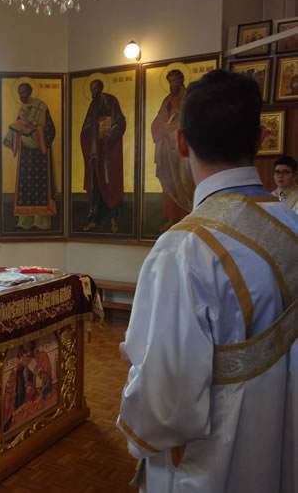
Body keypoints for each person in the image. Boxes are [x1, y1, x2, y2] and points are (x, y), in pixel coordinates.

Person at [117, 70, 298, 492]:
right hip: (281, 439)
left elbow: (164, 410)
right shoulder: (291, 224)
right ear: (260, 140)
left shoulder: (184, 248)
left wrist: (141, 366)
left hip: (216, 462)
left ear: (180, 142)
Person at [2, 82, 57, 230]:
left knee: (40, 186)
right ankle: (25, 222)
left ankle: (41, 222)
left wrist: (36, 130)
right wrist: (18, 130)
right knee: (25, 185)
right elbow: (17, 125)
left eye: (24, 92)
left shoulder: (41, 107)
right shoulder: (22, 109)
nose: (22, 95)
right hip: (25, 152)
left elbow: (50, 129)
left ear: (30, 91)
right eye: (20, 92)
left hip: (40, 153)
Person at [150, 69, 195, 232]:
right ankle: (170, 218)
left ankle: (188, 218)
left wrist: (178, 122)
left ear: (181, 80)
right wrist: (163, 126)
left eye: (174, 81)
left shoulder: (189, 97)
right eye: (169, 81)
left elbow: (193, 120)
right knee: (168, 182)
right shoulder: (167, 100)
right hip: (168, 150)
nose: (172, 85)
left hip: (183, 149)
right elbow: (159, 120)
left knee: (185, 182)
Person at [80, 79, 126, 233]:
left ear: (100, 88)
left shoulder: (111, 101)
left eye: (95, 89)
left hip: (108, 152)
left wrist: (108, 134)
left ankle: (114, 220)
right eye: (91, 90)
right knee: (95, 184)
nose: (92, 92)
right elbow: (86, 126)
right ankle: (94, 220)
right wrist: (92, 130)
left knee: (109, 183)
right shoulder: (93, 105)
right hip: (95, 153)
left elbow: (120, 122)